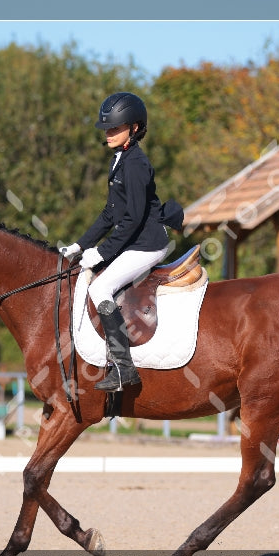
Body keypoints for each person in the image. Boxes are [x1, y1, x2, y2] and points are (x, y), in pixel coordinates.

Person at [59, 92, 179, 392]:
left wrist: (101, 252)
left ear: (135, 128)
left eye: (115, 128)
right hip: (134, 238)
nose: (109, 133)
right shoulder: (121, 159)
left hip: (148, 242)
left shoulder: (136, 164)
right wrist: (79, 245)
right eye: (107, 129)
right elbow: (110, 213)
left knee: (100, 287)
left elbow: (133, 219)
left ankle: (124, 369)